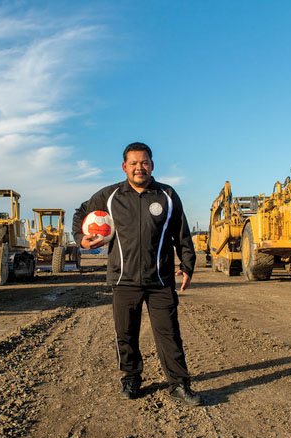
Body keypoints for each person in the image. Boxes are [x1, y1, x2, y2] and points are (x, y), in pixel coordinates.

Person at [72, 142, 201, 406]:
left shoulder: (166, 195)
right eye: (133, 163)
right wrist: (81, 240)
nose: (139, 168)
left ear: (152, 165)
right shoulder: (110, 196)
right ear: (124, 167)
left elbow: (182, 234)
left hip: (161, 280)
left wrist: (187, 265)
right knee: (126, 333)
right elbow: (80, 213)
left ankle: (178, 384)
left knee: (169, 334)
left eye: (144, 162)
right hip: (124, 278)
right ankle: (131, 379)